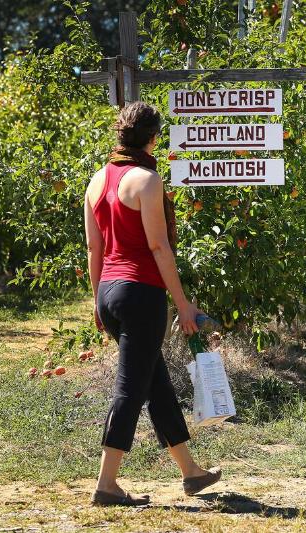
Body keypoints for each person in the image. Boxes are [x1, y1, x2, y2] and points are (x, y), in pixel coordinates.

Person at [84, 102, 220, 506]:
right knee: (129, 389)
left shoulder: (96, 180)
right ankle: (106, 484)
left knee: (155, 383)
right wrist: (183, 305)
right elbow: (159, 247)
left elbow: (95, 247)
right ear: (153, 137)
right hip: (140, 293)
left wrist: (96, 301)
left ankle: (191, 472)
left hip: (109, 291)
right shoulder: (146, 180)